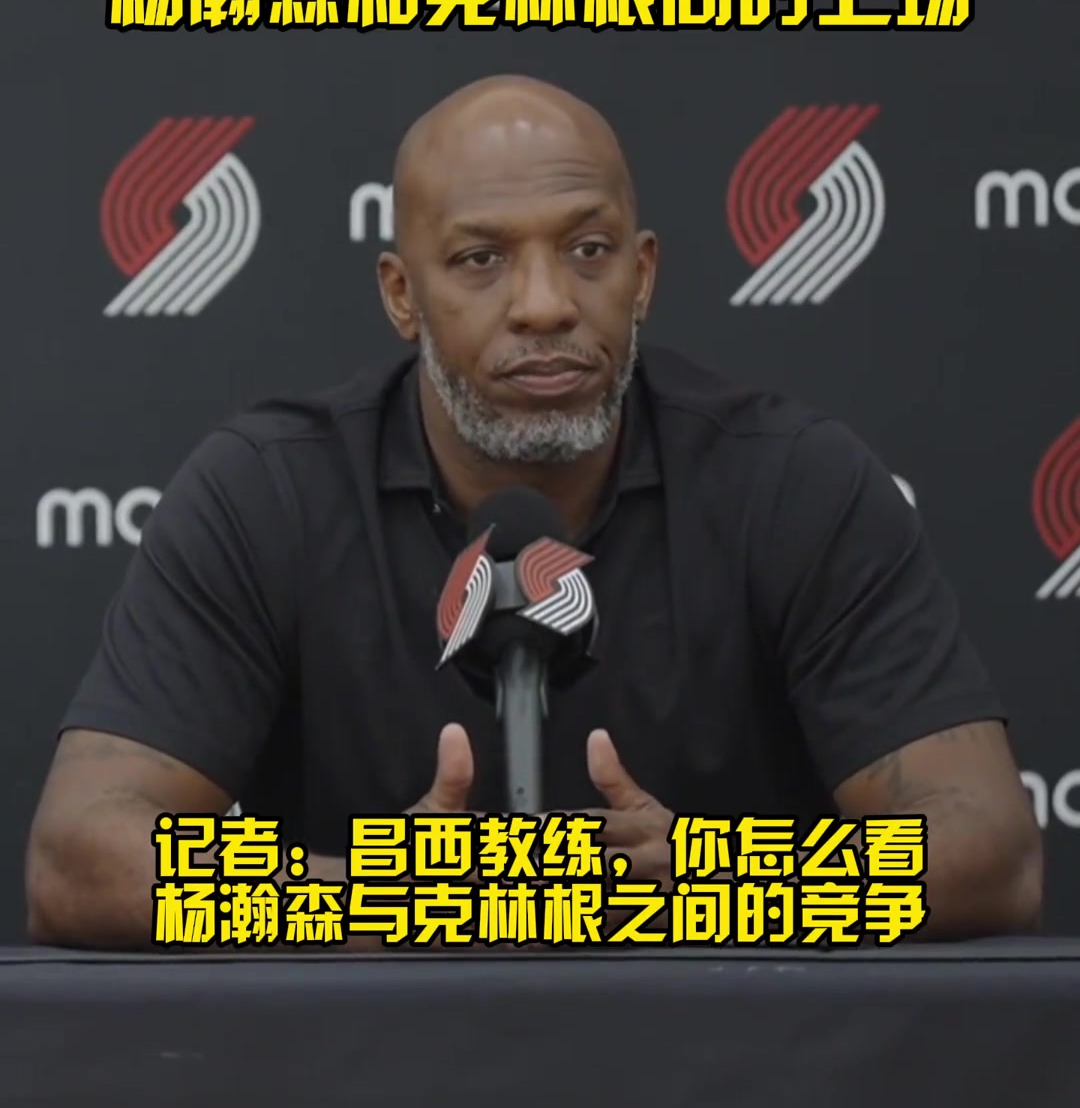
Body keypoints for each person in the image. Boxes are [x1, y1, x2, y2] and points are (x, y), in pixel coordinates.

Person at [26, 74, 1041, 949]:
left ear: (643, 276)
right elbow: (83, 856)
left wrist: (720, 883)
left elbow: (988, 847)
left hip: (731, 1078)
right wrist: (377, 896)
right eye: (481, 259)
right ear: (401, 295)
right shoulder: (269, 492)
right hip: (369, 1083)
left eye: (589, 249)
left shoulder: (791, 483)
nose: (546, 303)